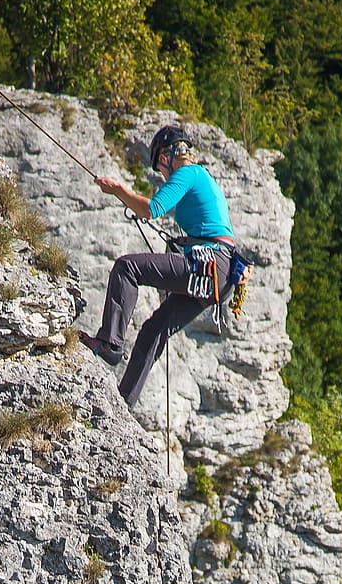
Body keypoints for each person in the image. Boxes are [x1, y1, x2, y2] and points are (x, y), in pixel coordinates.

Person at [80, 125, 237, 408]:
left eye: (160, 167)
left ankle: (111, 341)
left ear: (168, 155)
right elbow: (211, 230)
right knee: (154, 329)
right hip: (219, 276)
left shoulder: (188, 173)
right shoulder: (204, 178)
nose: (163, 175)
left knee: (128, 267)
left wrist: (118, 190)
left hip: (211, 264)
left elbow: (152, 209)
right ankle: (124, 403)